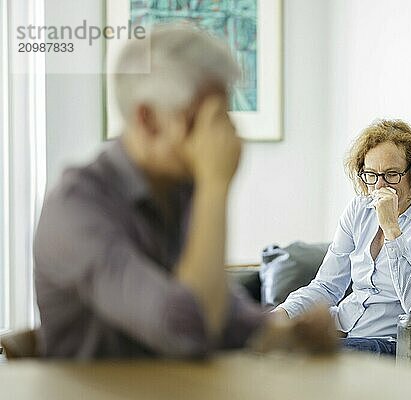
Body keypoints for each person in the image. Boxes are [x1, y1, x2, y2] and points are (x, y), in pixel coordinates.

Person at [34, 24, 335, 358]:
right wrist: (215, 185)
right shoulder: (75, 207)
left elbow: (218, 310)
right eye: (207, 118)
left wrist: (286, 332)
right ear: (148, 120)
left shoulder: (178, 189)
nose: (223, 133)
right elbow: (187, 331)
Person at [273, 120, 411, 356]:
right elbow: (326, 286)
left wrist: (392, 228)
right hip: (345, 332)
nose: (379, 185)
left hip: (392, 343)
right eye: (371, 174)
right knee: (264, 345)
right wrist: (282, 314)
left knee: (302, 356)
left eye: (391, 174)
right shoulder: (359, 209)